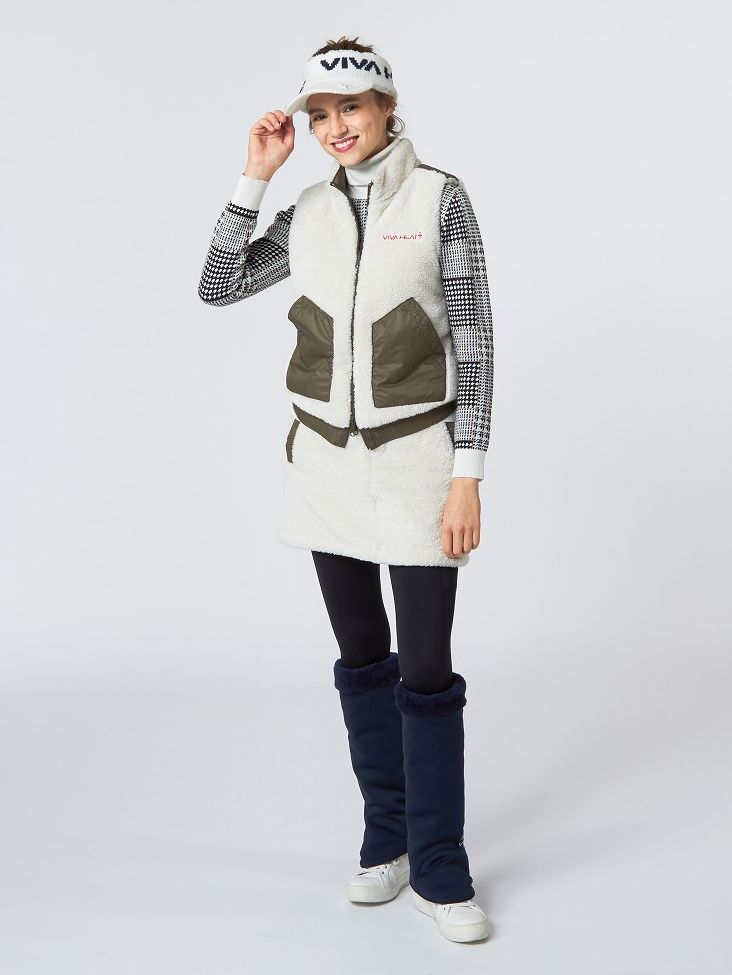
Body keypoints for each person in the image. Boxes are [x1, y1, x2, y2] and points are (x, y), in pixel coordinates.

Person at [198, 35, 495, 944]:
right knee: (362, 652)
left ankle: (440, 864)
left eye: (351, 109)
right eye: (319, 114)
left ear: (387, 108)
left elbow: (476, 339)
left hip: (417, 462)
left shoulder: (441, 197)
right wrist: (255, 176)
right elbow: (217, 284)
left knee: (425, 666)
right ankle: (387, 838)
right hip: (324, 465)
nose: (335, 127)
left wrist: (467, 474)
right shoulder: (308, 211)